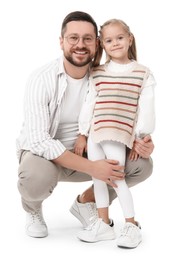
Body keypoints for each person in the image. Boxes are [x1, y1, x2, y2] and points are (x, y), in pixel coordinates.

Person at [16, 11, 154, 243]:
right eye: (73, 38)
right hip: (47, 157)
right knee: (34, 178)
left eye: (87, 39)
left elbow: (125, 111)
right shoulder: (42, 78)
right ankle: (33, 209)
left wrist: (142, 140)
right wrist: (92, 167)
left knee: (142, 165)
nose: (80, 45)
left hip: (92, 148)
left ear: (97, 43)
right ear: (61, 41)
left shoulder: (104, 76)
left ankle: (87, 203)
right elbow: (39, 140)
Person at [74, 18, 156, 248]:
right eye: (109, 40)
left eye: (120, 38)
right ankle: (103, 224)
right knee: (98, 178)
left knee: (116, 179)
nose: (116, 43)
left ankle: (131, 225)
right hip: (95, 133)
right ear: (103, 44)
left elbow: (146, 109)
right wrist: (82, 133)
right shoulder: (97, 73)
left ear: (129, 39)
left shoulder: (142, 73)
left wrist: (140, 136)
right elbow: (89, 104)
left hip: (117, 133)